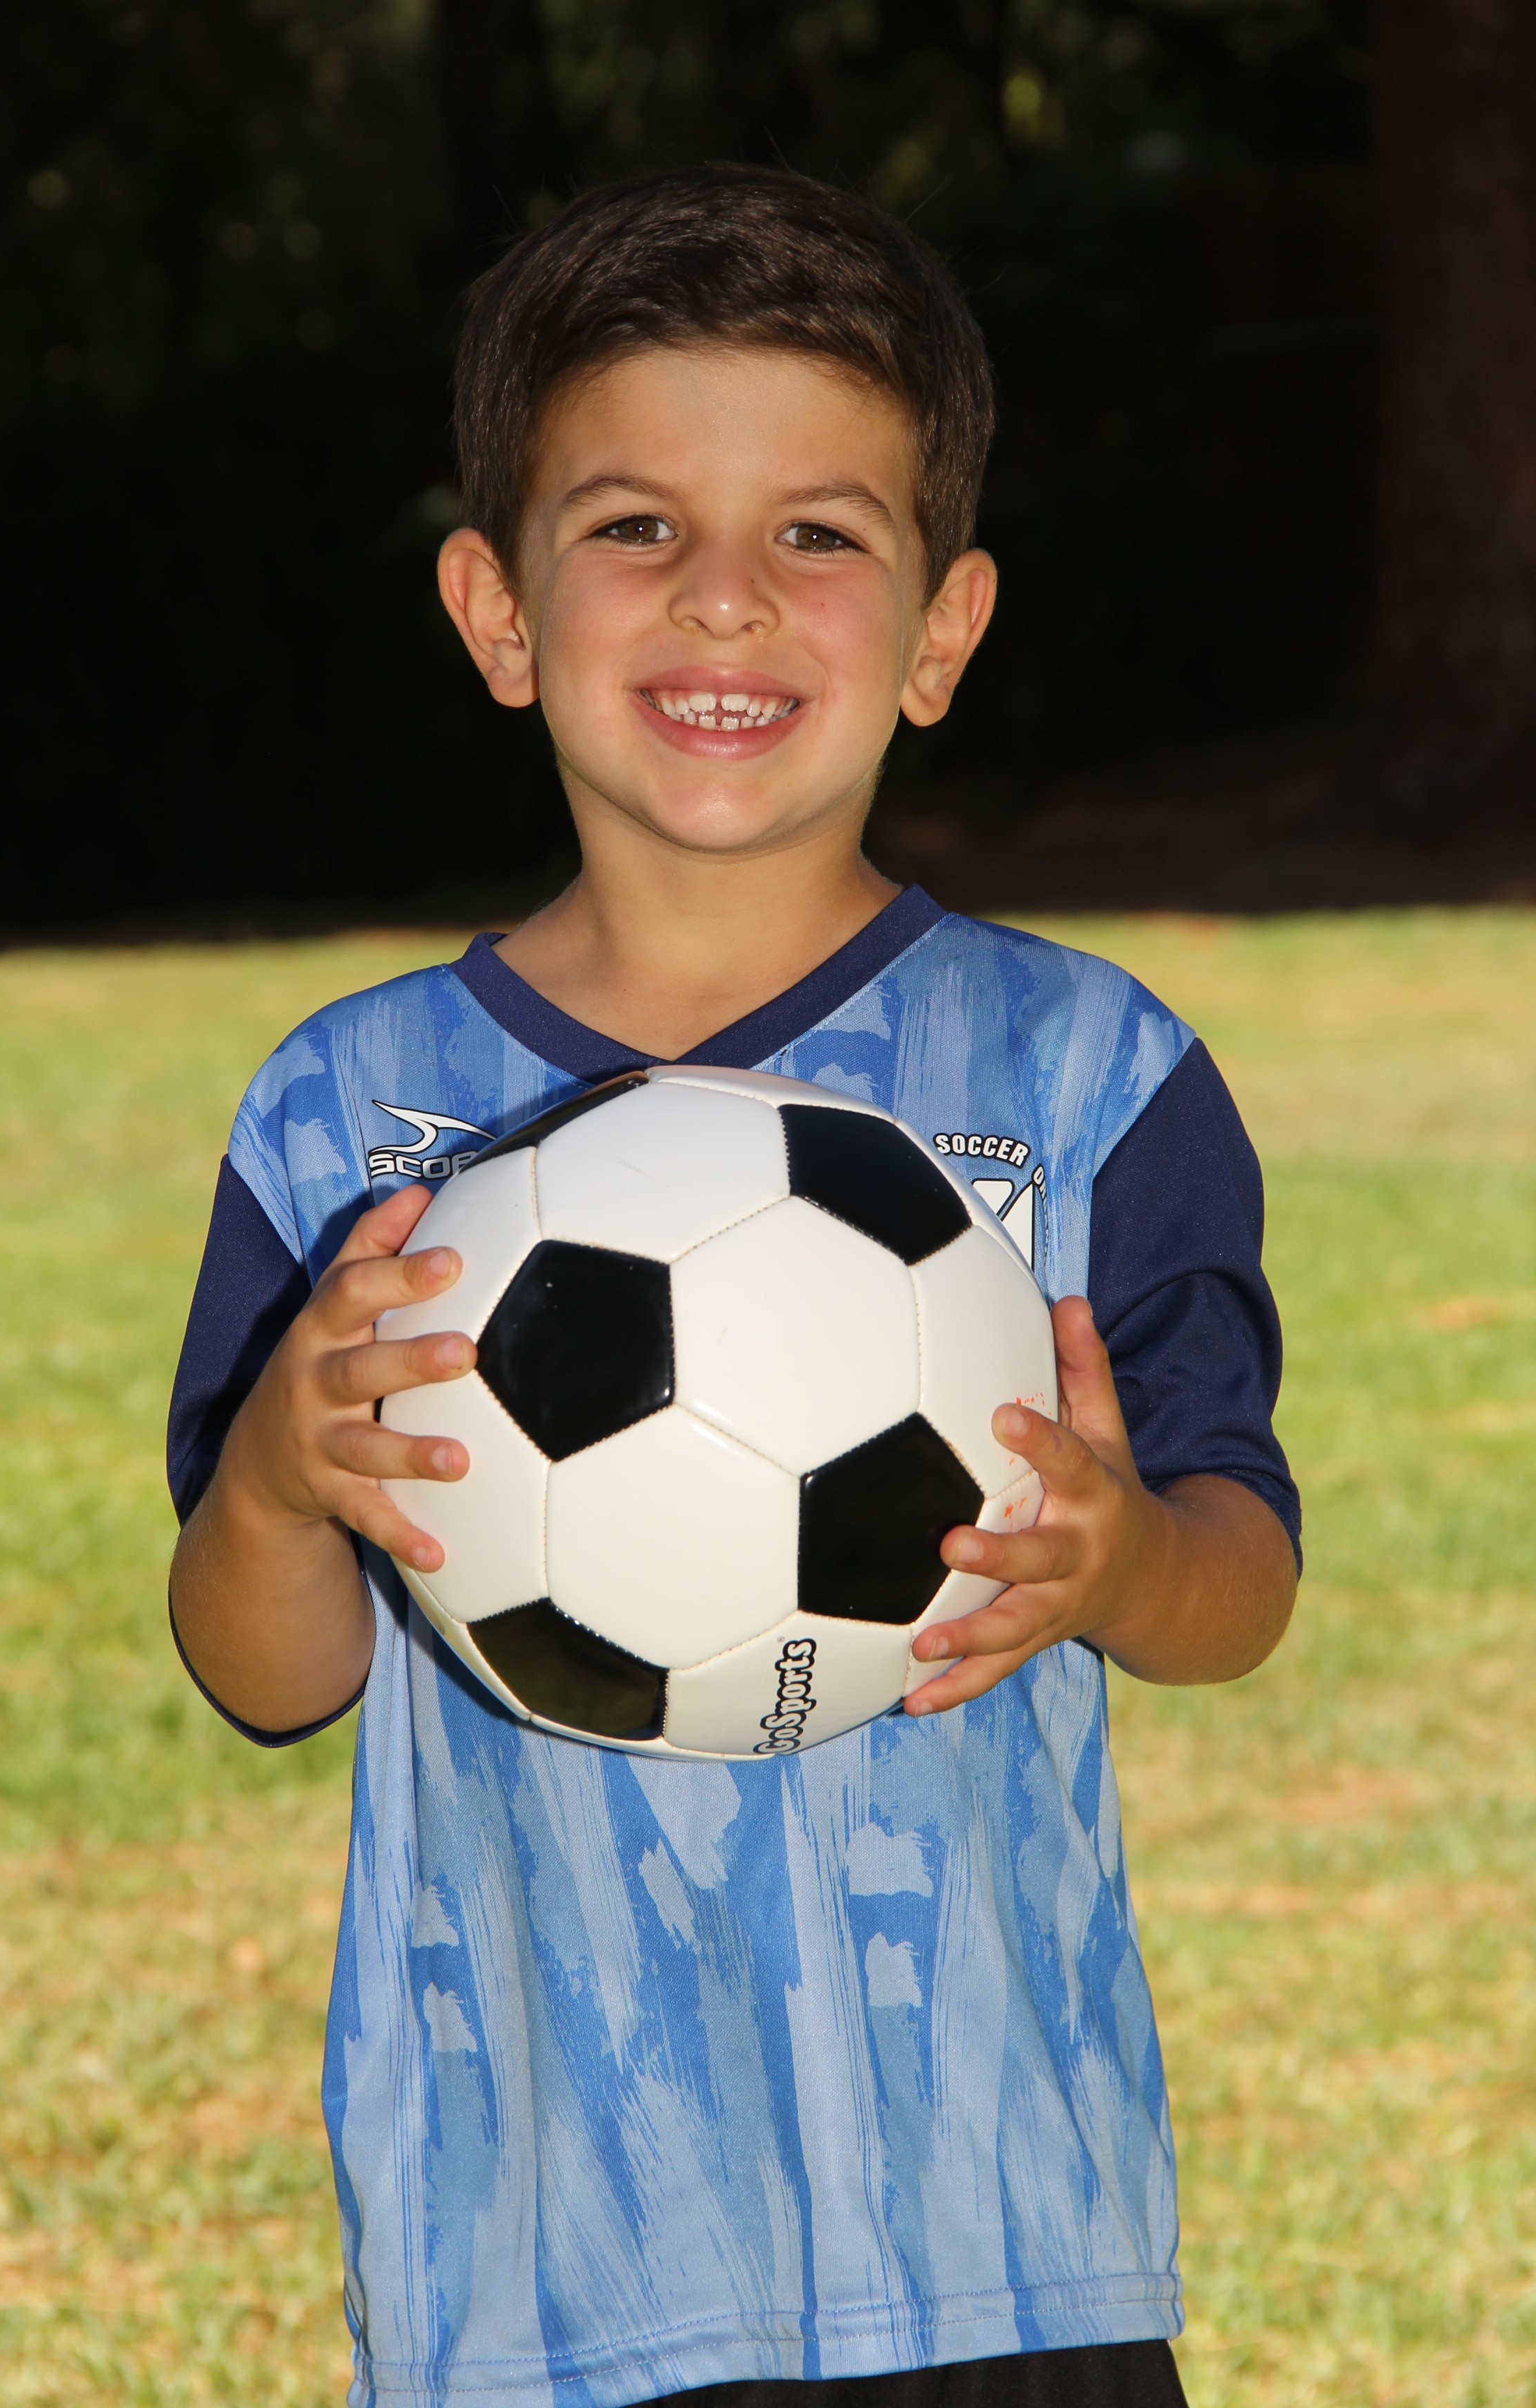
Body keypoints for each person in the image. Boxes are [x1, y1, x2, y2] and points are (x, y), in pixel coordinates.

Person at [167, 165, 1299, 2408]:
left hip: (1001, 2251)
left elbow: (1242, 1581)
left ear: (944, 629)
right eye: (633, 527)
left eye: (817, 534)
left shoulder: (1087, 1076)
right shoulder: (350, 1113)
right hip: (537, 2277)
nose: (725, 599)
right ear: (497, 610)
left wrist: (1122, 1561)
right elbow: (262, 1675)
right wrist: (284, 1485)